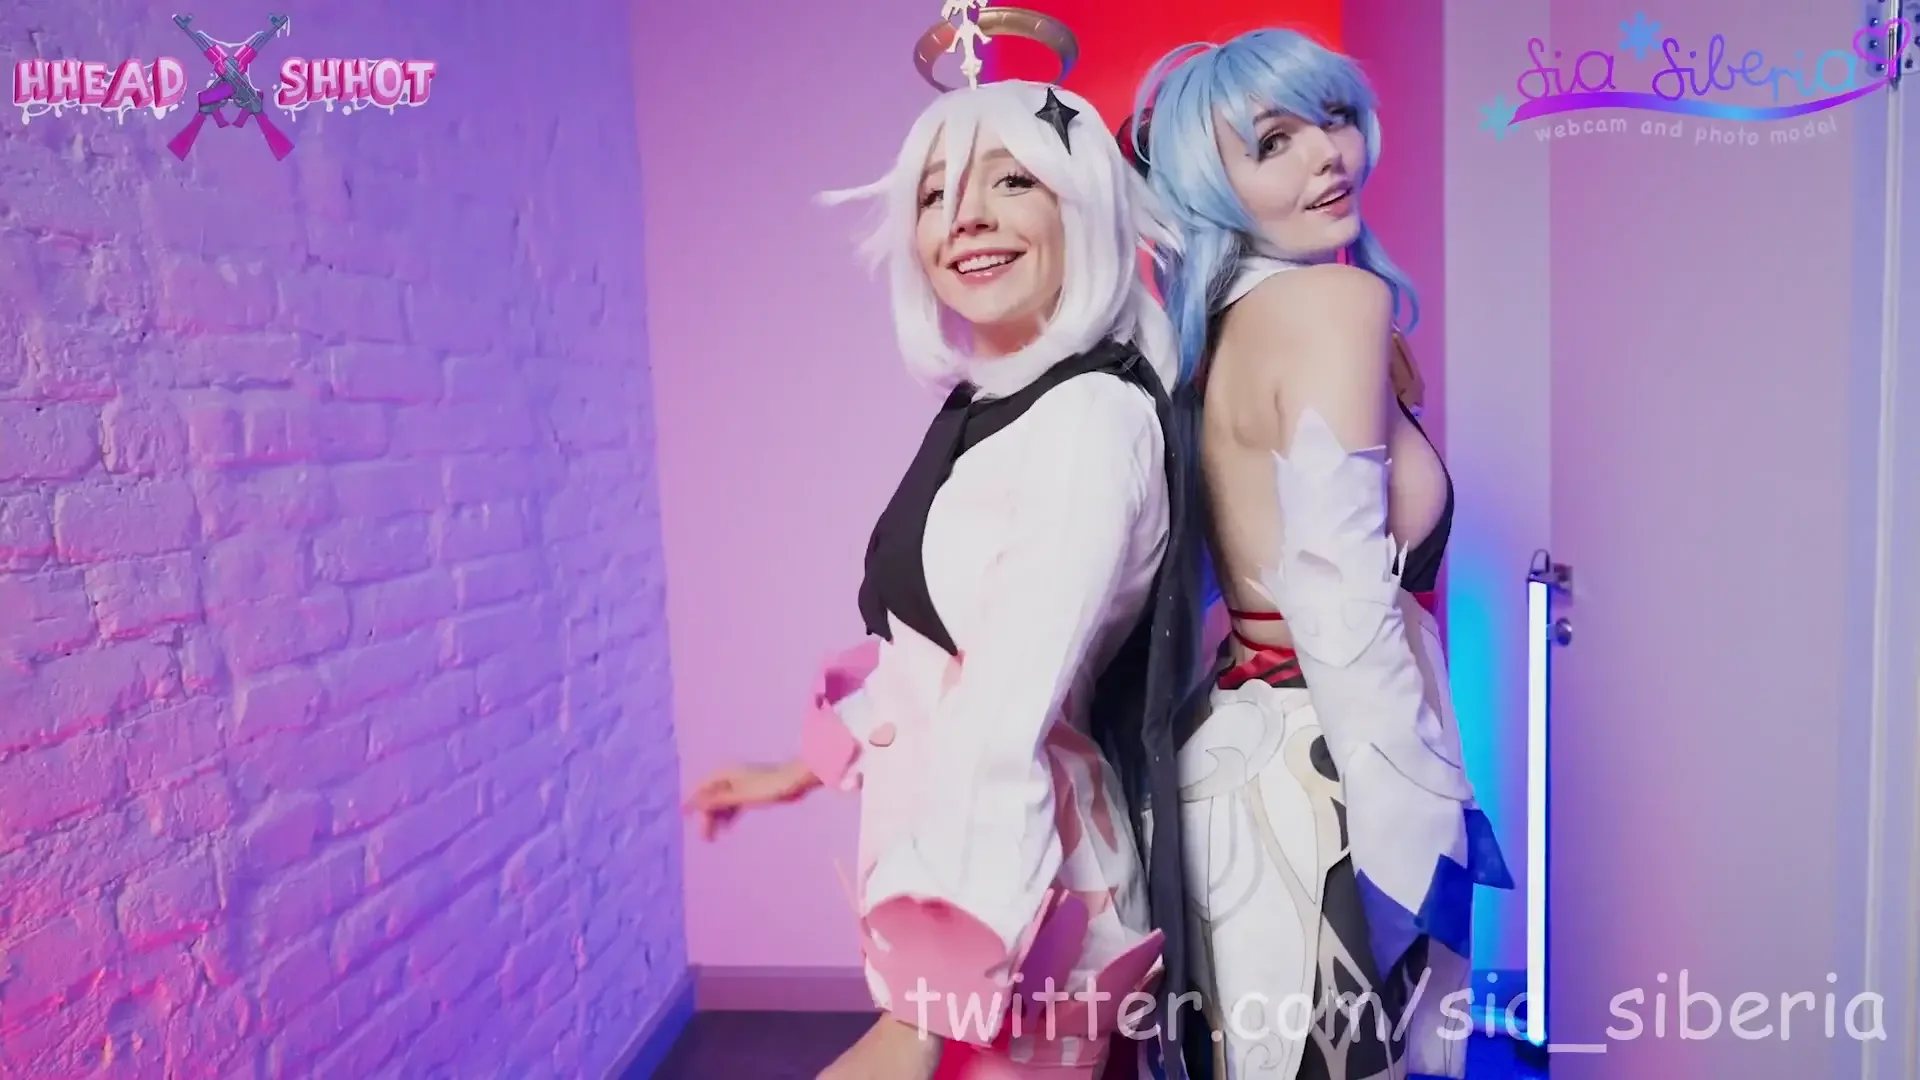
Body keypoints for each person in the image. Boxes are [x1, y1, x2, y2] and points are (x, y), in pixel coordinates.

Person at [684, 78, 1208, 1080]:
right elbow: (931, 660)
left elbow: (1005, 711)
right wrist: (795, 772)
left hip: (1021, 910)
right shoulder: (996, 406)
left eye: (1011, 180)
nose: (965, 217)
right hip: (959, 888)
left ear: (1084, 202)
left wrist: (924, 1008)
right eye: (934, 194)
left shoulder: (1088, 421)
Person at [1128, 29, 1512, 1080]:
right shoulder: (1335, 303)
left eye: (1333, 118)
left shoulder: (1217, 328)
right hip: (1335, 777)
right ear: (1208, 183)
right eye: (1273, 142)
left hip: (1238, 759)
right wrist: (1414, 844)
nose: (1326, 156)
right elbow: (1340, 594)